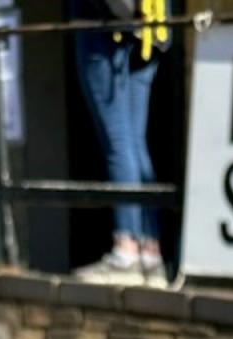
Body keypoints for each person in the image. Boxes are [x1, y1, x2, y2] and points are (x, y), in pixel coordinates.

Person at [69, 0, 170, 282]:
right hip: (150, 27)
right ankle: (150, 252)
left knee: (119, 142)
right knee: (136, 143)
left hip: (105, 26)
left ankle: (126, 250)